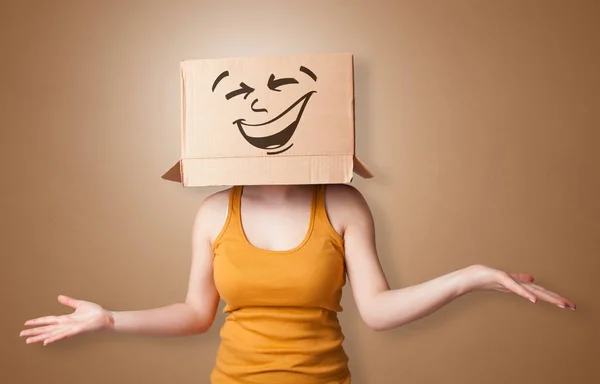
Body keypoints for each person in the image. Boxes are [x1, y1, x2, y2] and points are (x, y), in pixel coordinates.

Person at [20, 184, 575, 383]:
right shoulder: (215, 211)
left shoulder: (342, 202)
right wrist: (111, 319)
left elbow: (376, 310)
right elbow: (195, 313)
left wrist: (468, 278)